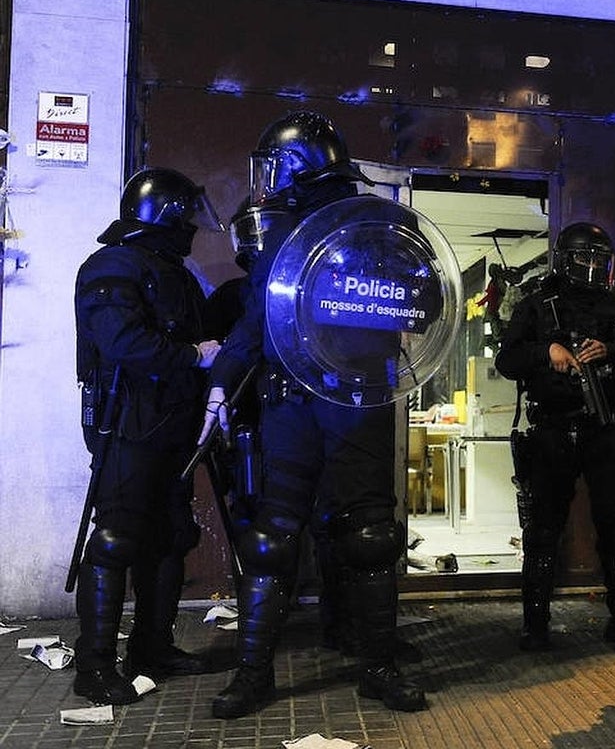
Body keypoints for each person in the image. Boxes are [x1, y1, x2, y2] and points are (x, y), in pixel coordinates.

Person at [200, 110, 428, 719]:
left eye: (276, 165)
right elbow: (256, 323)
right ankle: (256, 673)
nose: (269, 178)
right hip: (297, 401)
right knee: (277, 540)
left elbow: (425, 303)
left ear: (299, 165)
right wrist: (221, 385)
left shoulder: (383, 223)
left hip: (347, 400)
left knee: (367, 536)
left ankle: (375, 667)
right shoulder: (281, 234)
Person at [72, 167, 225, 704]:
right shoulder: (112, 266)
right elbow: (122, 343)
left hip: (171, 424)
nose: (190, 229)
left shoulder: (171, 271)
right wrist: (190, 355)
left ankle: (153, 649)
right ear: (165, 216)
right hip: (128, 424)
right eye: (184, 218)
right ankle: (93, 668)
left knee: (170, 537)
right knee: (116, 540)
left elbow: (203, 331)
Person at [493, 221, 615, 652]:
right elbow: (508, 359)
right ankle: (534, 626)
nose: (592, 268)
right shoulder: (537, 304)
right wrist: (547, 352)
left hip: (605, 428)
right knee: (542, 531)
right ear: (565, 259)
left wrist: (610, 351)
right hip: (552, 429)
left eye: (599, 260)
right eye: (584, 259)